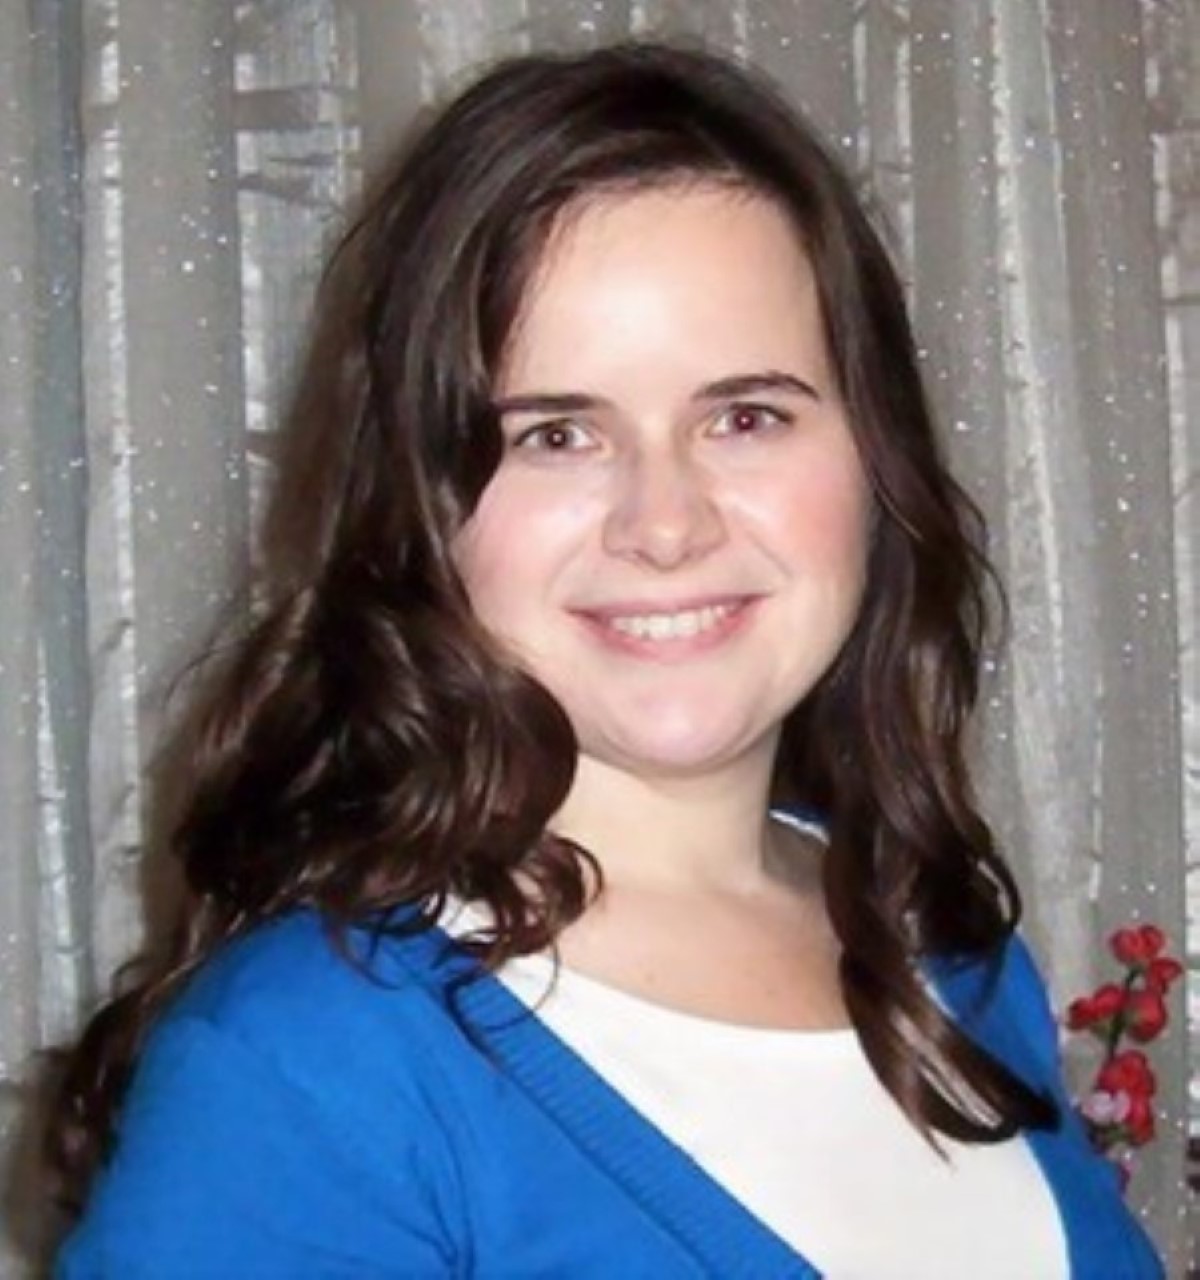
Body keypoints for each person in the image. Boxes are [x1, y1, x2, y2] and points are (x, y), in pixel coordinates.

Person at [48, 42, 1161, 1278]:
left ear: (875, 460)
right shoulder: (303, 1070)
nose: (665, 523)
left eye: (745, 415)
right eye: (557, 434)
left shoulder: (950, 956)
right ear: (422, 507)